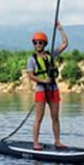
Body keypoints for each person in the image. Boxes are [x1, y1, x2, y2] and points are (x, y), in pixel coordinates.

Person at [27, 21, 69, 150]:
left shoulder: (51, 55)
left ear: (44, 44)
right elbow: (30, 75)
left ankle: (57, 141)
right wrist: (43, 81)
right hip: (40, 90)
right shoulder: (31, 59)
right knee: (39, 118)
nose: (37, 45)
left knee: (55, 117)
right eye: (35, 42)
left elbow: (65, 44)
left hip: (53, 89)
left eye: (40, 42)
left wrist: (60, 29)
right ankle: (35, 143)